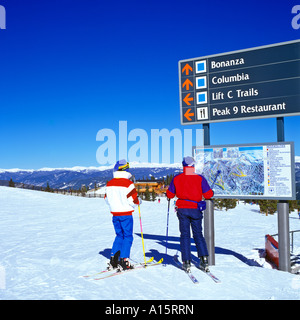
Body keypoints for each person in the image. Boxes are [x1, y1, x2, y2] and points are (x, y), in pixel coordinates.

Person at [166, 156, 214, 272]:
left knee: (185, 235)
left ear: (183, 165)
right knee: (198, 234)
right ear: (193, 165)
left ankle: (186, 262)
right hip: (195, 210)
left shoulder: (177, 178)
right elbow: (208, 195)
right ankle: (204, 260)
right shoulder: (200, 178)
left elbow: (170, 194)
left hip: (182, 210)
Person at [104, 159, 142, 271]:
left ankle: (113, 259)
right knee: (128, 236)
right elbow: (133, 200)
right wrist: (139, 201)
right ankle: (124, 260)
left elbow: (106, 199)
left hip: (115, 214)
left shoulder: (109, 183)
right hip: (126, 214)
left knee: (119, 235)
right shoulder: (128, 184)